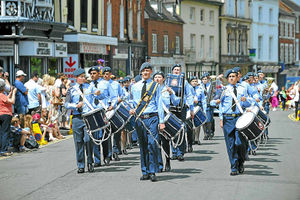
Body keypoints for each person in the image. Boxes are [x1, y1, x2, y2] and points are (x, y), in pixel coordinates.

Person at [129, 62, 165, 182]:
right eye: (144, 70)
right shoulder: (134, 86)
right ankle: (144, 171)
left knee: (152, 144)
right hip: (140, 118)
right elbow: (132, 102)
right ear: (141, 72)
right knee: (143, 145)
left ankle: (153, 171)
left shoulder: (155, 86)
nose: (145, 72)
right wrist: (131, 109)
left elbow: (159, 103)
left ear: (150, 72)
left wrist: (162, 121)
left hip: (152, 117)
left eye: (148, 70)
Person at [65, 68, 100, 173]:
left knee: (88, 140)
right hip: (76, 117)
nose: (83, 78)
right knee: (78, 142)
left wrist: (99, 93)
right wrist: (75, 105)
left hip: (87, 116)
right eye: (81, 77)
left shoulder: (89, 86)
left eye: (84, 76)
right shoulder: (71, 90)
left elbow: (99, 97)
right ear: (76, 78)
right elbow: (66, 104)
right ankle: (81, 165)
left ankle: (90, 162)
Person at [219, 69, 253, 176]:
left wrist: (245, 100)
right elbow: (218, 103)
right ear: (227, 79)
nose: (232, 78)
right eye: (230, 77)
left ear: (237, 77)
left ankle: (241, 161)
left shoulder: (242, 89)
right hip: (228, 119)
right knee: (230, 144)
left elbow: (249, 103)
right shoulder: (224, 90)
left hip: (239, 118)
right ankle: (233, 166)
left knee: (240, 143)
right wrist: (221, 118)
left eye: (234, 76)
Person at [89, 66, 116, 167]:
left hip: (104, 110)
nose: (92, 75)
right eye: (91, 74)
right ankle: (97, 159)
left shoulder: (105, 83)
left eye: (94, 73)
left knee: (105, 134)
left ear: (98, 74)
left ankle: (107, 155)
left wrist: (112, 106)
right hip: (93, 112)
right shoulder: (88, 85)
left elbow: (113, 97)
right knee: (94, 135)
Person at [153, 71, 180, 172]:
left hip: (165, 117)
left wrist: (172, 93)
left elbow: (176, 102)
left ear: (163, 79)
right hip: (154, 117)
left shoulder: (167, 89)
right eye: (155, 77)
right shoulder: (151, 90)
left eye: (159, 77)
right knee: (156, 142)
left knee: (165, 141)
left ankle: (167, 161)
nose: (157, 79)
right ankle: (159, 164)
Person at [169, 64, 194, 161]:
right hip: (171, 109)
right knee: (171, 130)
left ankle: (180, 152)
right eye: (175, 69)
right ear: (172, 71)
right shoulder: (168, 81)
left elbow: (189, 95)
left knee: (181, 128)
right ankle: (174, 152)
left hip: (181, 108)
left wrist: (191, 109)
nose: (176, 71)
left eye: (178, 70)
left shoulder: (185, 82)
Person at [0, 79, 17, 156]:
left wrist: (10, 93)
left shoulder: (2, 96)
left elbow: (6, 100)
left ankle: (2, 149)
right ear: (3, 88)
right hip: (5, 114)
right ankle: (4, 150)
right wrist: (13, 93)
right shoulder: (2, 95)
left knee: (1, 132)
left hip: (0, 114)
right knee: (5, 132)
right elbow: (12, 101)